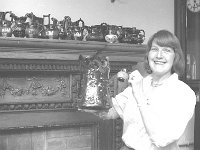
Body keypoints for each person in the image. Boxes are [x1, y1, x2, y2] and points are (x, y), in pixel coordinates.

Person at [98, 30, 196, 150]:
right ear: (148, 55)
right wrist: (95, 90)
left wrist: (139, 96)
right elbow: (110, 112)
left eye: (166, 50)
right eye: (154, 49)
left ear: (175, 57)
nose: (159, 55)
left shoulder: (183, 93)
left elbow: (161, 139)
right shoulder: (138, 84)